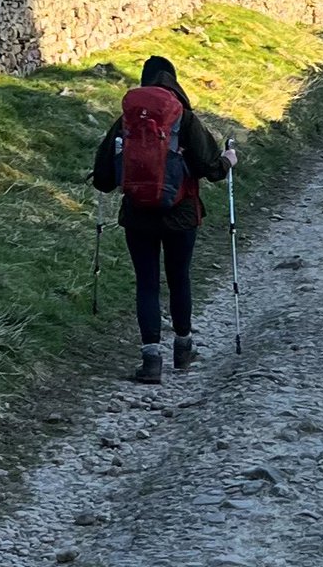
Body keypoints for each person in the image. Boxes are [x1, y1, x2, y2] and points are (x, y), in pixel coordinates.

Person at [93, 55, 236, 385]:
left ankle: (151, 360)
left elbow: (103, 178)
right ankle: (183, 349)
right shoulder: (184, 118)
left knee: (146, 283)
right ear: (173, 81)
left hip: (137, 216)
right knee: (179, 278)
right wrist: (229, 159)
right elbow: (211, 169)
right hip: (181, 215)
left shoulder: (127, 121)